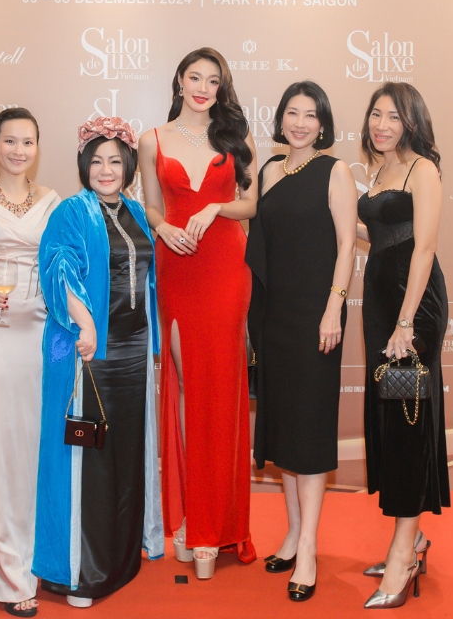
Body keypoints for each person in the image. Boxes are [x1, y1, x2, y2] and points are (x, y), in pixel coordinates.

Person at [33, 117, 165, 608]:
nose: (105, 170)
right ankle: (82, 573)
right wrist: (86, 324)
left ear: (129, 165)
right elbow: (57, 267)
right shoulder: (72, 210)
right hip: (90, 354)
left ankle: (120, 559)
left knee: (125, 455)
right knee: (88, 460)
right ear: (83, 165)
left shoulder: (136, 211)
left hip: (134, 355)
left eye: (114, 161)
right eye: (96, 161)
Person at [138, 47, 258, 579]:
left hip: (225, 267)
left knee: (219, 393)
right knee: (186, 388)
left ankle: (213, 526)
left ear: (221, 88)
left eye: (213, 80)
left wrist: (216, 206)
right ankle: (190, 517)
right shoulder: (152, 140)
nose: (203, 88)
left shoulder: (236, 139)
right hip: (177, 266)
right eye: (195, 77)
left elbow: (253, 204)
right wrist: (163, 227)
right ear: (180, 82)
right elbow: (151, 205)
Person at [245, 81, 357, 603]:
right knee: (285, 431)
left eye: (310, 115)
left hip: (317, 319)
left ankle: (308, 547)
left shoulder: (335, 172)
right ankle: (291, 535)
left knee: (308, 434)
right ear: (281, 118)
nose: (300, 122)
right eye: (292, 112)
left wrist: (334, 308)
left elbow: (347, 245)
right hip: (273, 319)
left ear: (323, 123)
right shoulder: (268, 171)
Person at [356, 82, 450, 610]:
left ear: (411, 121)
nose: (382, 125)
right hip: (379, 308)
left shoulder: (422, 170)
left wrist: (406, 323)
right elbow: (381, 236)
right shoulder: (379, 171)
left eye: (393, 116)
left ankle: (402, 555)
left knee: (408, 422)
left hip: (412, 311)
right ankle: (413, 538)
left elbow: (424, 246)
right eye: (376, 114)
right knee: (392, 420)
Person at [0, 108, 59, 618]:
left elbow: (63, 266)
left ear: (38, 147)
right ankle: (3, 574)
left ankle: (32, 559)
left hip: (38, 334)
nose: (19, 150)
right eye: (9, 141)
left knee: (30, 452)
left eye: (28, 142)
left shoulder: (53, 202)